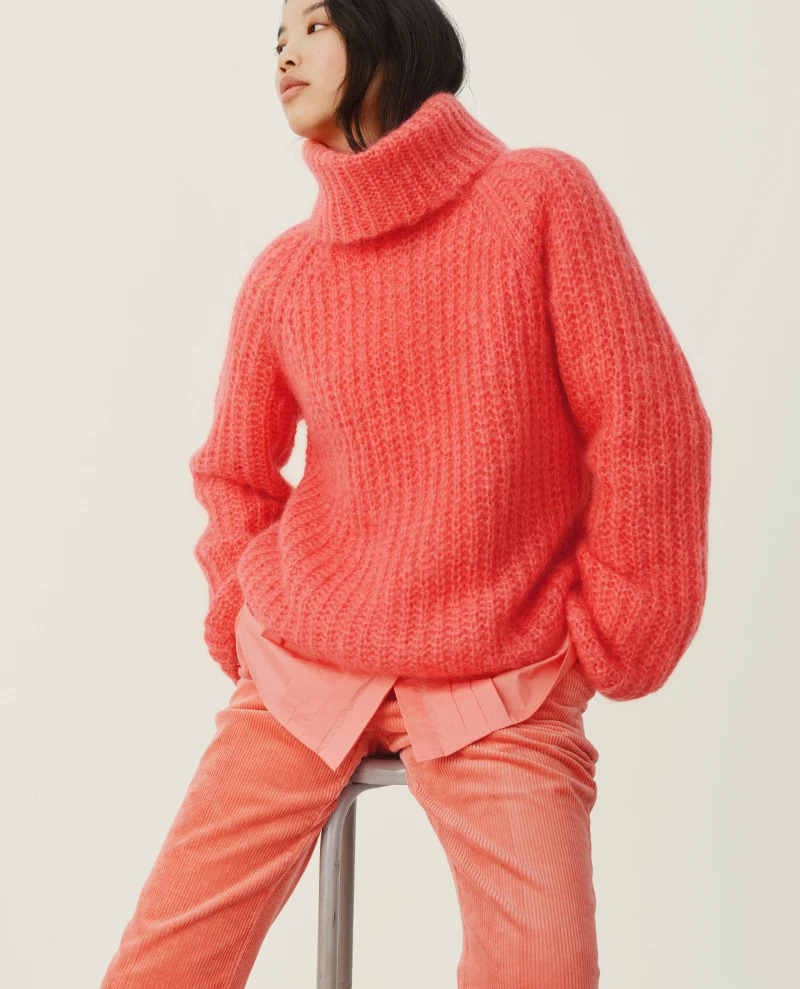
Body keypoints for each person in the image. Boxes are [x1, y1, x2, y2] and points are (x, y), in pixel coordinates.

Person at [98, 0, 713, 986]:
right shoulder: (286, 272)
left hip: (501, 673)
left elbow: (649, 421)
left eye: (313, 25)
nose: (285, 51)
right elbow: (232, 467)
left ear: (388, 31)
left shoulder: (538, 198)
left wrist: (617, 631)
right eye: (276, 37)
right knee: (161, 963)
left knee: (544, 968)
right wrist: (237, 612)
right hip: (303, 664)